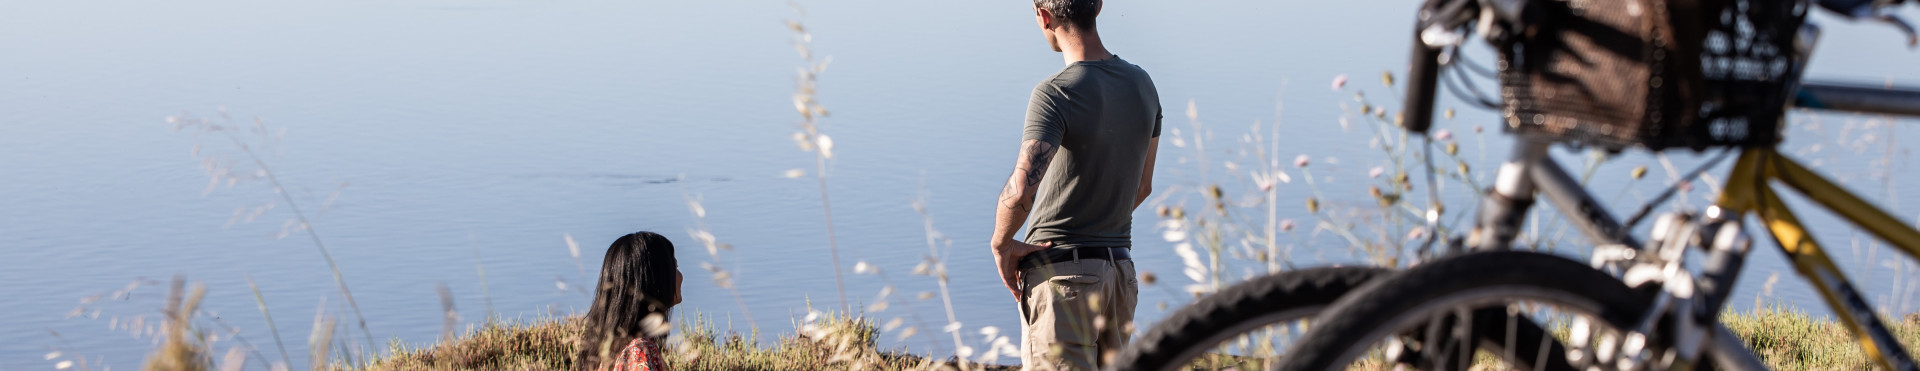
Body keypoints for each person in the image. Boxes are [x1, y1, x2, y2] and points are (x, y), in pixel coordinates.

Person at [990, 0, 1160, 369]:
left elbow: (1020, 190)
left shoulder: (1055, 93)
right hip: (1120, 275)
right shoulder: (1142, 84)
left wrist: (1002, 243)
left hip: (1062, 277)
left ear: (1043, 16)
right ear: (1098, 6)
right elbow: (1142, 187)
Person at [575, 231, 683, 371]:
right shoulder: (640, 351)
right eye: (675, 267)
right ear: (655, 280)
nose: (680, 275)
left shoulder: (611, 348)